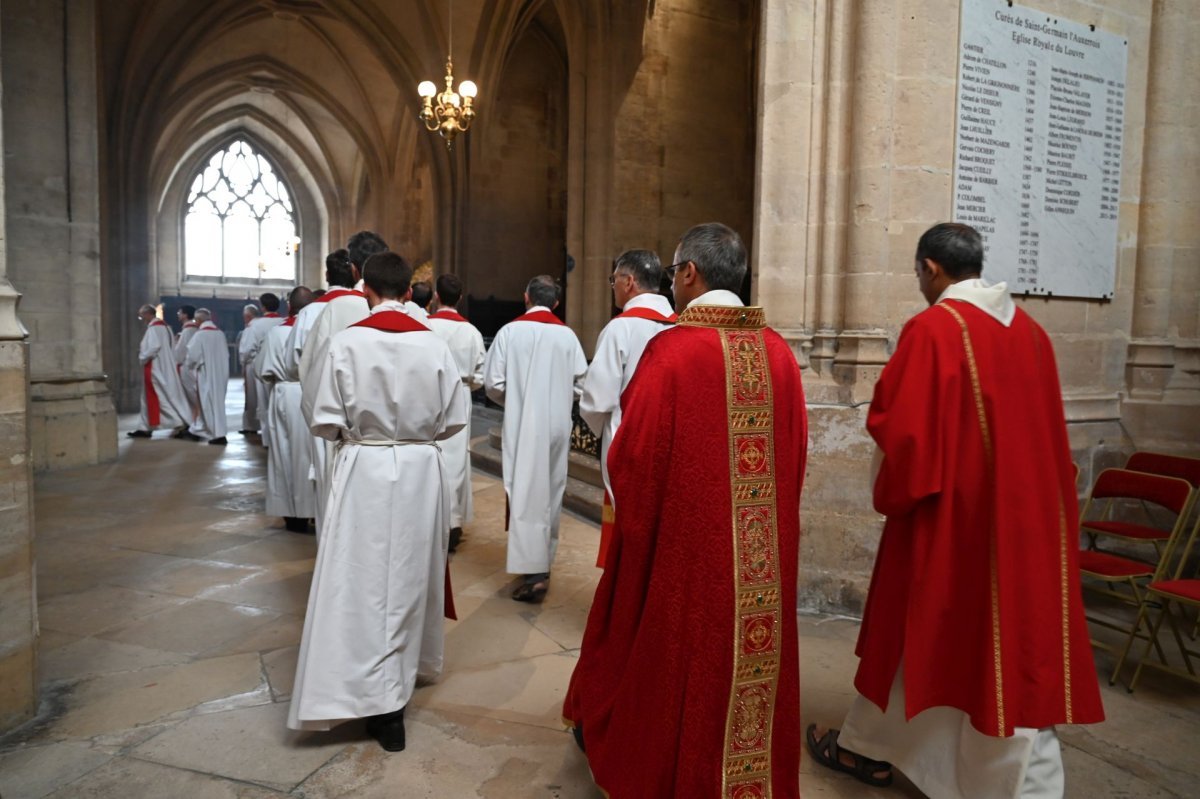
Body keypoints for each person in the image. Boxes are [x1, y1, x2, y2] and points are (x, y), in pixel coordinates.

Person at [806, 222, 1104, 798]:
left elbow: (909, 442)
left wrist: (894, 490)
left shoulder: (934, 329)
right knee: (969, 643)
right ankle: (870, 744)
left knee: (946, 637)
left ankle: (1013, 786)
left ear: (930, 269)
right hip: (1024, 526)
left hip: (952, 525)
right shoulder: (1033, 335)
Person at [563, 223, 807, 798]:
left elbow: (635, 460)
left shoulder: (670, 353)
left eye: (674, 271)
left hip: (686, 555)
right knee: (743, 668)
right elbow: (795, 459)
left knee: (677, 667)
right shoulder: (778, 354)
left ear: (689, 274)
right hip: (759, 565)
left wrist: (642, 536)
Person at [288, 252, 467, 752]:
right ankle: (395, 698)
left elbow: (323, 419)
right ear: (409, 292)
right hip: (418, 470)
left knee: (358, 580)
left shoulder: (346, 342)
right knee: (408, 577)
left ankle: (357, 692)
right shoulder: (433, 345)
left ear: (364, 287)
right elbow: (454, 418)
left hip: (363, 468)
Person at [483, 275, 587, 602]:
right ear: (556, 302)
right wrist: (556, 397)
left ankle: (535, 572)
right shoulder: (567, 336)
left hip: (521, 422)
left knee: (524, 490)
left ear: (525, 296)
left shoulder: (509, 332)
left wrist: (519, 401)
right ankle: (543, 561)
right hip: (557, 424)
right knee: (552, 487)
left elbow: (493, 385)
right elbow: (582, 386)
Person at [579, 249, 676, 567]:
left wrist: (603, 432)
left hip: (628, 443)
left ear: (629, 281)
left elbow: (597, 400)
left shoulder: (620, 329)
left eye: (614, 279)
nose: (613, 286)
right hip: (670, 446)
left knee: (628, 537)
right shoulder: (681, 327)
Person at [296, 236, 382, 535]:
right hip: (398, 444)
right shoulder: (413, 314)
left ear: (355, 269)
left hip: (344, 434)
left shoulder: (338, 309)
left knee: (337, 517)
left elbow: (310, 375)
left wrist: (324, 427)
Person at [426, 273, 486, 552]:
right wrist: (465, 385)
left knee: (428, 455)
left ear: (436, 296)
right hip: (459, 395)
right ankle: (453, 522)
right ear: (459, 298)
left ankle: (430, 519)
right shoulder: (471, 332)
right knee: (456, 460)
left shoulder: (424, 326)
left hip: (427, 394)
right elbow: (480, 376)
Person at [256, 287, 317, 533]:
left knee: (284, 454)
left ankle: (291, 513)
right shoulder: (316, 329)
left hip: (284, 394)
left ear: (289, 306)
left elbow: (261, 370)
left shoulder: (277, 332)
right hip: (311, 392)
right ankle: (312, 509)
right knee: (310, 454)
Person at [128, 304, 192, 439]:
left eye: (141, 315)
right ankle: (145, 427)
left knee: (159, 397)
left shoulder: (154, 328)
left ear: (147, 314)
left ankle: (178, 423)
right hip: (164, 366)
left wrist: (142, 356)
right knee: (153, 397)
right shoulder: (165, 327)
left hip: (155, 366)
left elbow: (154, 347)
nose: (141, 318)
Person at [238, 294, 285, 442]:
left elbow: (247, 349)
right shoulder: (284, 322)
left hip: (261, 366)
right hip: (282, 365)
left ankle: (267, 438)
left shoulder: (256, 325)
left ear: (262, 306)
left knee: (263, 402)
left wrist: (244, 363)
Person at [182, 307, 230, 445]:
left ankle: (218, 435)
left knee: (207, 403)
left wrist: (190, 366)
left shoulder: (200, 335)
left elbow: (192, 356)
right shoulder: (220, 333)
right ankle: (200, 430)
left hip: (206, 374)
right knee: (215, 403)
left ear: (198, 320)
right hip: (220, 373)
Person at [237, 303, 263, 436]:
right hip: (266, 363)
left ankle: (251, 426)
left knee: (252, 397)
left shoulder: (250, 328)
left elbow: (246, 350)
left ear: (248, 316)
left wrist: (243, 364)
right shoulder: (268, 324)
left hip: (252, 364)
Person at [174, 304, 201, 420]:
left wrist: (176, 359)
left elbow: (181, 350)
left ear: (185, 315)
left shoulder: (188, 330)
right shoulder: (195, 329)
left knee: (191, 395)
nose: (178, 315)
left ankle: (195, 420)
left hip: (187, 367)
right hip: (194, 366)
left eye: (180, 313)